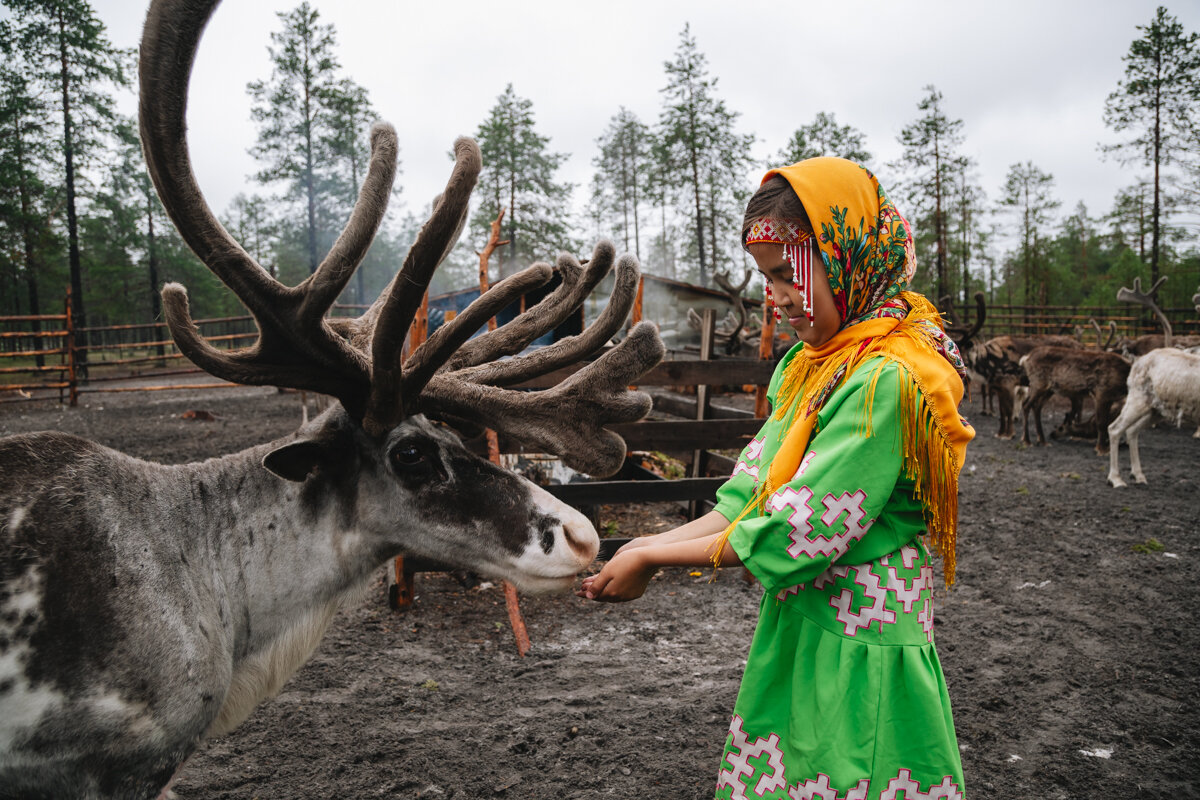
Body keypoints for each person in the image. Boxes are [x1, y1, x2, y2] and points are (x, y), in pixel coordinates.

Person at [578, 157, 974, 800]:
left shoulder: (889, 381)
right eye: (766, 278)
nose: (776, 297)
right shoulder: (815, 363)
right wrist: (646, 548)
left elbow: (796, 532)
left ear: (846, 255)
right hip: (806, 619)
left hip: (861, 638)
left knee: (853, 772)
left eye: (788, 274)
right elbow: (749, 496)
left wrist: (656, 553)